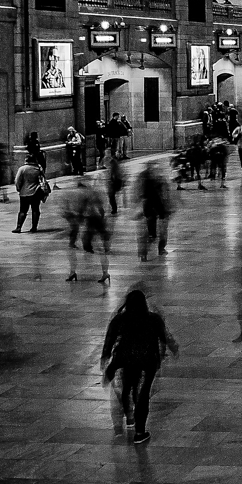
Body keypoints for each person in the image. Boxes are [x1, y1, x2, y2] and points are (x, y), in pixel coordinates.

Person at [102, 289, 176, 444]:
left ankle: (129, 417)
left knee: (127, 386)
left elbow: (109, 339)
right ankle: (140, 432)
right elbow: (164, 336)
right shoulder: (153, 319)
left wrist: (106, 357)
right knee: (142, 394)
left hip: (124, 360)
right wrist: (173, 347)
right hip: (146, 362)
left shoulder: (120, 320)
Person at [63, 173, 109, 284]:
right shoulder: (93, 192)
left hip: (87, 221)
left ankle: (72, 271)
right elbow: (101, 210)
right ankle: (105, 272)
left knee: (73, 246)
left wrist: (76, 216)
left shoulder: (80, 194)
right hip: (93, 221)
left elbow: (74, 210)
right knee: (97, 248)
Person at [12, 158, 48, 233]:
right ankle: (34, 227)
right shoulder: (38, 169)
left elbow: (17, 180)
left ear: (26, 160)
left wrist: (19, 188)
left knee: (23, 211)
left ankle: (19, 227)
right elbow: (43, 179)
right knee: (35, 210)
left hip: (24, 193)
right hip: (36, 192)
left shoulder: (22, 169)